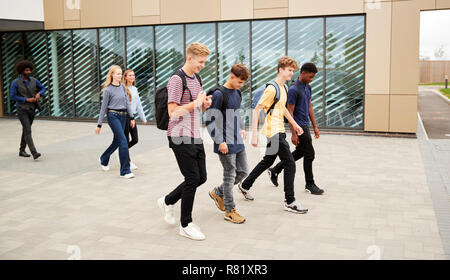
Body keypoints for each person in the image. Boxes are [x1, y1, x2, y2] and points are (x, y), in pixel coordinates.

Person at [238, 56, 308, 214]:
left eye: (292, 71)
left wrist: (295, 125)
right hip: (272, 131)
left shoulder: (283, 88)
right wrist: (254, 135)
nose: (291, 73)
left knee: (267, 160)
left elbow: (282, 109)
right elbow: (256, 110)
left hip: (280, 130)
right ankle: (290, 201)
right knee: (290, 163)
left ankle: (245, 185)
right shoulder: (272, 88)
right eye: (289, 70)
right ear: (280, 69)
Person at [157, 42, 212, 241]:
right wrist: (195, 103)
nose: (202, 65)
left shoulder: (197, 78)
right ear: (189, 58)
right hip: (179, 134)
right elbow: (173, 112)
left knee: (201, 177)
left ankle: (168, 200)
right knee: (192, 178)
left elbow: (196, 109)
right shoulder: (176, 80)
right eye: (200, 61)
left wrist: (203, 105)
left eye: (204, 62)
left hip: (194, 133)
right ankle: (185, 224)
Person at [268, 63, 324, 195]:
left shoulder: (307, 87)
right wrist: (293, 133)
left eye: (313, 77)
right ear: (303, 73)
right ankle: (310, 184)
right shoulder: (293, 89)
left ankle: (275, 169)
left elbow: (309, 107)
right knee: (310, 154)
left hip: (305, 124)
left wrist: (315, 126)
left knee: (301, 152)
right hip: (299, 126)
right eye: (310, 77)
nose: (311, 79)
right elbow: (289, 111)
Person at [206, 63, 250, 224]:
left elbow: (238, 112)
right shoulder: (219, 94)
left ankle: (218, 192)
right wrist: (220, 141)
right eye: (239, 82)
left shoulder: (237, 92)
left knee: (244, 171)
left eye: (243, 83)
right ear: (231, 76)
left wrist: (242, 128)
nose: (241, 85)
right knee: (229, 175)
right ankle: (230, 211)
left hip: (237, 140)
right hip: (224, 142)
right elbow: (210, 121)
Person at [95, 65, 136, 179]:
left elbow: (127, 103)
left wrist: (132, 117)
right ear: (112, 75)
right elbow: (103, 108)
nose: (119, 75)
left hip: (124, 116)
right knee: (123, 141)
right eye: (117, 74)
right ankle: (125, 171)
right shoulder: (108, 90)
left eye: (120, 74)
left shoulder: (123, 86)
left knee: (117, 141)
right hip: (113, 116)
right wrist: (99, 124)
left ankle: (103, 158)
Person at [10, 60, 46, 160]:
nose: (29, 72)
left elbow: (43, 88)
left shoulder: (34, 80)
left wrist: (39, 94)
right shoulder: (15, 83)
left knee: (26, 130)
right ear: (21, 71)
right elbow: (12, 96)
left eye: (29, 70)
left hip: (32, 109)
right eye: (26, 70)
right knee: (28, 130)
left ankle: (22, 150)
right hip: (22, 109)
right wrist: (26, 99)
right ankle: (34, 152)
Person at [122, 69, 147, 170]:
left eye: (133, 75)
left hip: (132, 117)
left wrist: (143, 118)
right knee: (126, 139)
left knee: (135, 139)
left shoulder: (135, 89)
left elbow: (139, 105)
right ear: (125, 77)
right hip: (125, 117)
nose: (132, 77)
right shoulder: (123, 88)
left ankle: (121, 151)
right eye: (130, 75)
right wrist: (130, 118)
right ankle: (128, 161)